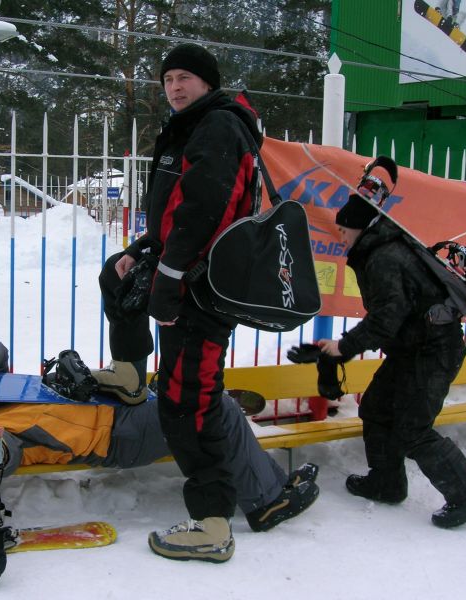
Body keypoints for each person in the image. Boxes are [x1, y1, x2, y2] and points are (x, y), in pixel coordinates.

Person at [91, 43, 317, 563]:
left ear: (207, 83)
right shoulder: (190, 126)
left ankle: (213, 524)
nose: (174, 87)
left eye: (185, 78)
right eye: (168, 78)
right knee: (117, 280)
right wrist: (142, 252)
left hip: (201, 291)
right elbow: (174, 211)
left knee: (187, 403)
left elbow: (202, 212)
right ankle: (129, 374)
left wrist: (169, 277)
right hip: (184, 277)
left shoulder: (217, 126)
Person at [0, 339, 319, 543]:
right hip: (118, 436)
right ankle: (267, 502)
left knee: (199, 399)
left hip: (118, 403)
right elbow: (3, 451)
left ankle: (257, 467)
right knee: (213, 409)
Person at [318, 193, 466, 529]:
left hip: (433, 352)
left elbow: (387, 317)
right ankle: (386, 482)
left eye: (344, 230)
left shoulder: (384, 257)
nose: (341, 237)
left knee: (413, 428)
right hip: (411, 349)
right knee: (377, 408)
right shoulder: (382, 248)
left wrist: (344, 346)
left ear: (360, 228)